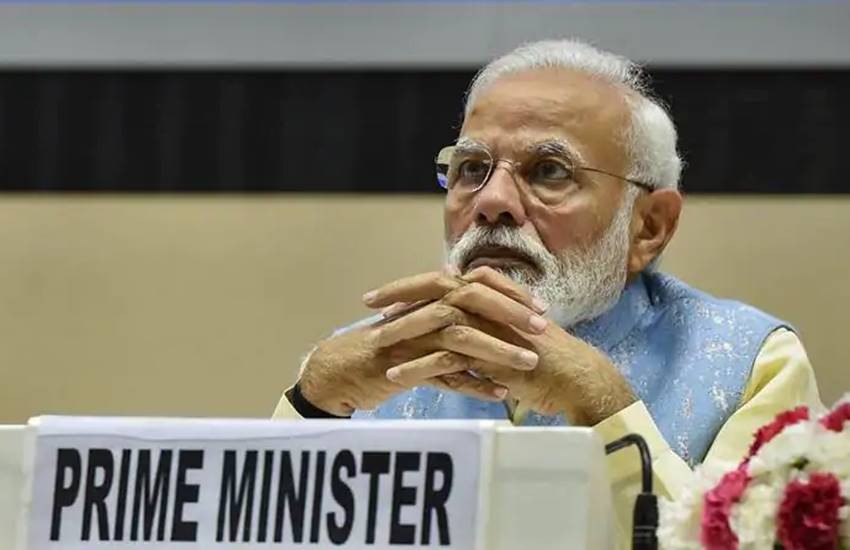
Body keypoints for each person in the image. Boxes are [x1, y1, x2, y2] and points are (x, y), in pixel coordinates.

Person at [272, 39, 821, 544]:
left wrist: (605, 409)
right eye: (471, 168)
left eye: (549, 171)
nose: (492, 202)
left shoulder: (751, 364)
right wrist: (311, 407)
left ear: (648, 226)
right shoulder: (366, 369)